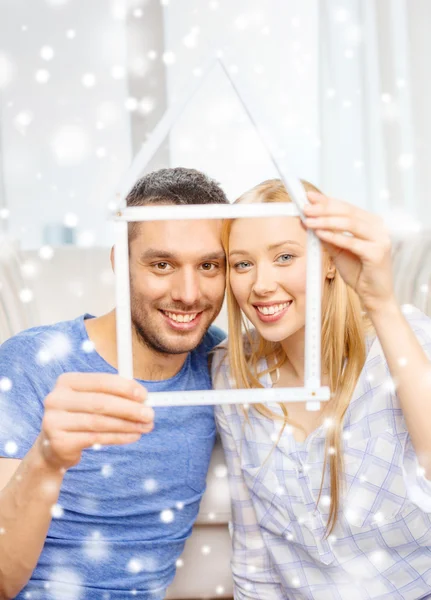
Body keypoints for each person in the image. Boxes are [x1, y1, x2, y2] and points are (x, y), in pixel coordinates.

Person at [0, 167, 228, 600]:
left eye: (208, 266)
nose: (188, 292)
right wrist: (47, 460)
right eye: (162, 264)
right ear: (118, 264)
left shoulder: (219, 363)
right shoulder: (29, 362)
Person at [213, 178, 431, 599]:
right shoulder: (230, 371)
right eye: (242, 264)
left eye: (285, 257)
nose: (261, 284)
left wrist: (380, 304)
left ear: (330, 260)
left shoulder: (406, 339)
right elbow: (253, 557)